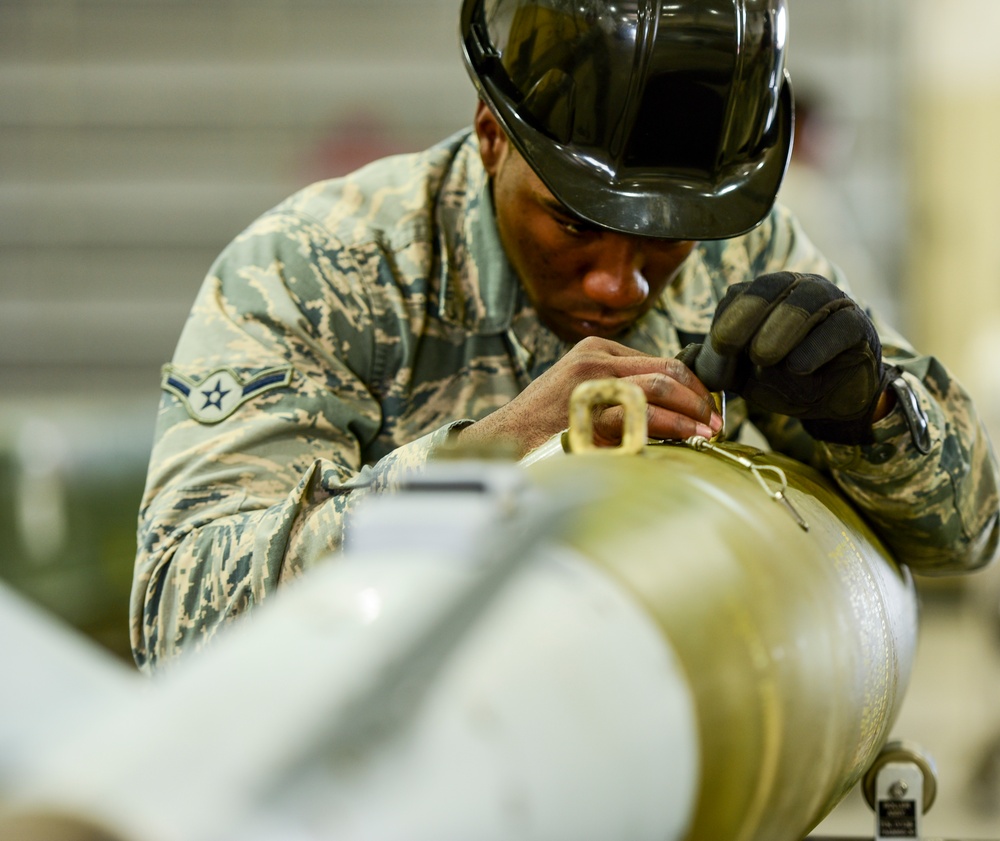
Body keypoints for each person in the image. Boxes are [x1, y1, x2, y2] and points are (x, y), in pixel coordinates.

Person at [131, 0, 999, 671]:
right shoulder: (318, 271)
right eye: (574, 225)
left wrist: (874, 416)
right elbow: (179, 624)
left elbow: (966, 537)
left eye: (665, 236)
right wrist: (488, 461)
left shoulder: (747, 251)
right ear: (488, 136)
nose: (619, 284)